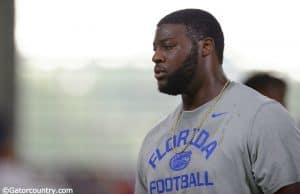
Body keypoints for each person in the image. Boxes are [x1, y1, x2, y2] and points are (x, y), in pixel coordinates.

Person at [135, 9, 300, 194]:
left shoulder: (262, 117)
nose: (156, 57)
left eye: (168, 46)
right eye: (155, 49)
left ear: (206, 47)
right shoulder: (154, 139)